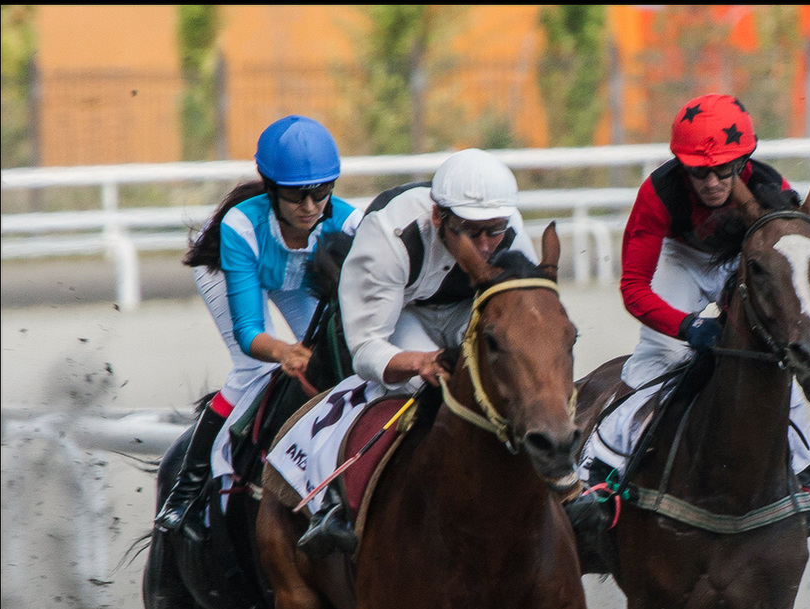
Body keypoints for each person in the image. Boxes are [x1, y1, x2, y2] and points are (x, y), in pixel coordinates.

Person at [584, 92, 810, 535]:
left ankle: (805, 479)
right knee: (666, 356)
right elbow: (633, 288)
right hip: (678, 259)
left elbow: (794, 265)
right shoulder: (657, 195)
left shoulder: (772, 191)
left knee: (777, 357)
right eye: (700, 172)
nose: (713, 182)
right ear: (683, 166)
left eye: (725, 169)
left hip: (743, 260)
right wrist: (685, 326)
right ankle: (600, 472)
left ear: (743, 162)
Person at [283, 147, 545, 557]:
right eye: (471, 232)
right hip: (399, 313)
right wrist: (419, 363)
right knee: (421, 394)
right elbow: (368, 351)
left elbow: (526, 318)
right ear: (439, 216)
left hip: (464, 310)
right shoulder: (390, 232)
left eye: (493, 230)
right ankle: (337, 506)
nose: (485, 245)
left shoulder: (509, 229)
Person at [154, 115, 361, 540]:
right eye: (295, 196)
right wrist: (283, 351)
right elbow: (250, 334)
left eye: (320, 192)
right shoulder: (242, 226)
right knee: (255, 370)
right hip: (230, 273)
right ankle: (186, 490)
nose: (309, 208)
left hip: (294, 276)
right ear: (270, 189)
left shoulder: (348, 223)